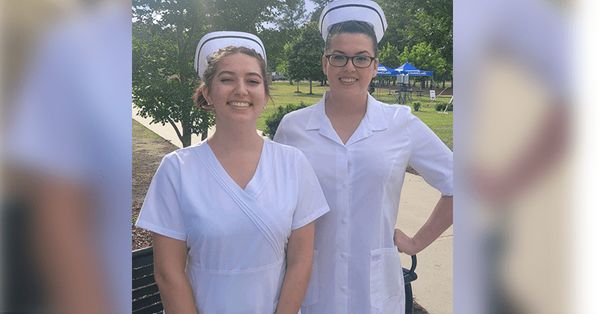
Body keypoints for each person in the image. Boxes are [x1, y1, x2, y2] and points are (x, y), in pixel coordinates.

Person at [274, 1, 453, 313]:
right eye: (339, 57)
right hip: (312, 290)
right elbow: (272, 205)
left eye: (361, 58)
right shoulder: (294, 128)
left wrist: (417, 242)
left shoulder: (400, 123)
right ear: (325, 63)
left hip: (376, 295)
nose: (349, 67)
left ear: (374, 65)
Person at [135, 31, 329, 314]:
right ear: (207, 93)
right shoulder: (177, 170)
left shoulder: (293, 164)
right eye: (227, 79)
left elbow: (301, 259)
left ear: (265, 94)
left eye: (252, 81)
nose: (241, 90)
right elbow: (168, 272)